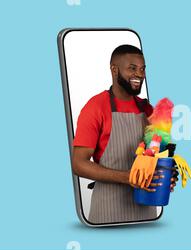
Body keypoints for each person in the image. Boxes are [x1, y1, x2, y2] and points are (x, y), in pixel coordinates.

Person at [71, 44, 178, 224]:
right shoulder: (96, 107)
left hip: (147, 213)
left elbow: (158, 154)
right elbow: (79, 164)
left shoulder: (147, 109)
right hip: (108, 213)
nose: (140, 74)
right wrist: (127, 177)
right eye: (132, 68)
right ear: (114, 69)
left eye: (143, 69)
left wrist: (167, 175)